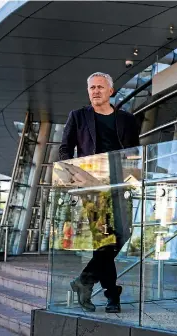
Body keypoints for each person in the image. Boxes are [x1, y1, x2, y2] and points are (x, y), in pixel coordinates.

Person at [59, 72, 140, 313]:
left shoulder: (127, 119)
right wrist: (76, 176)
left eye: (100, 87)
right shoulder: (78, 116)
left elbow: (134, 153)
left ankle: (84, 281)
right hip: (92, 186)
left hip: (121, 185)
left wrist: (135, 180)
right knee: (104, 240)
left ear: (111, 91)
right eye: (92, 87)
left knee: (122, 234)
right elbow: (65, 149)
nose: (95, 91)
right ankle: (112, 295)